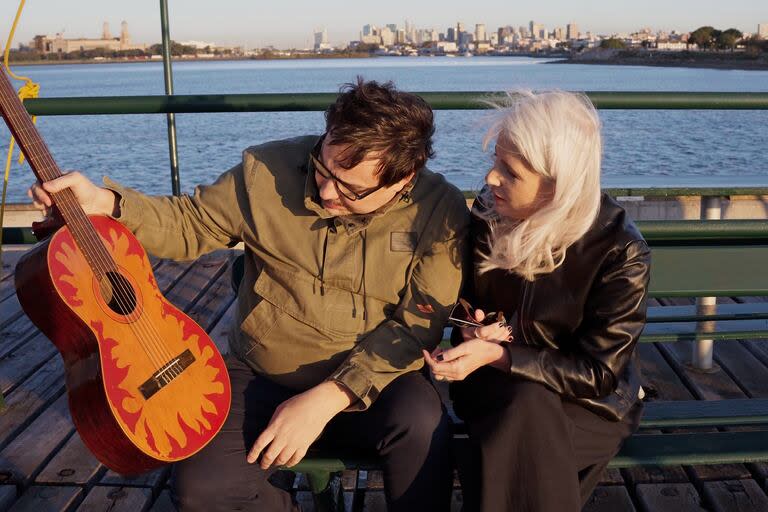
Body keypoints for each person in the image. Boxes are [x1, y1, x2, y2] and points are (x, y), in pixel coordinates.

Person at [29, 78, 469, 511]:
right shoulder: (267, 169)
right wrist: (109, 202)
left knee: (423, 427)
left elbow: (416, 327)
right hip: (261, 375)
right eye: (322, 168)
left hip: (378, 384)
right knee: (201, 490)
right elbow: (191, 223)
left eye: (353, 189)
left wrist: (328, 397)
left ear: (403, 178)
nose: (327, 191)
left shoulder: (440, 210)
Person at [423, 90, 651, 512]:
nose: (491, 180)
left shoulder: (618, 250)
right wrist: (474, 326)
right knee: (524, 423)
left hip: (588, 404)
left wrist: (499, 354)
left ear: (557, 185)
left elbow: (599, 373)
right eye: (494, 162)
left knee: (519, 430)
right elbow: (469, 302)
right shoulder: (490, 215)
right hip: (495, 387)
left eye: (509, 171)